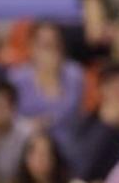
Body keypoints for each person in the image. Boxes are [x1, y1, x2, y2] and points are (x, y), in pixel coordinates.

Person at [7, 22, 83, 150]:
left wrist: (53, 78)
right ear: (31, 47)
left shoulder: (74, 74)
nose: (49, 51)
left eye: (54, 45)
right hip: (28, 146)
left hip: (66, 145)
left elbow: (70, 112)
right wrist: (30, 126)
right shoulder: (17, 78)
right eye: (44, 45)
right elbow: (11, 119)